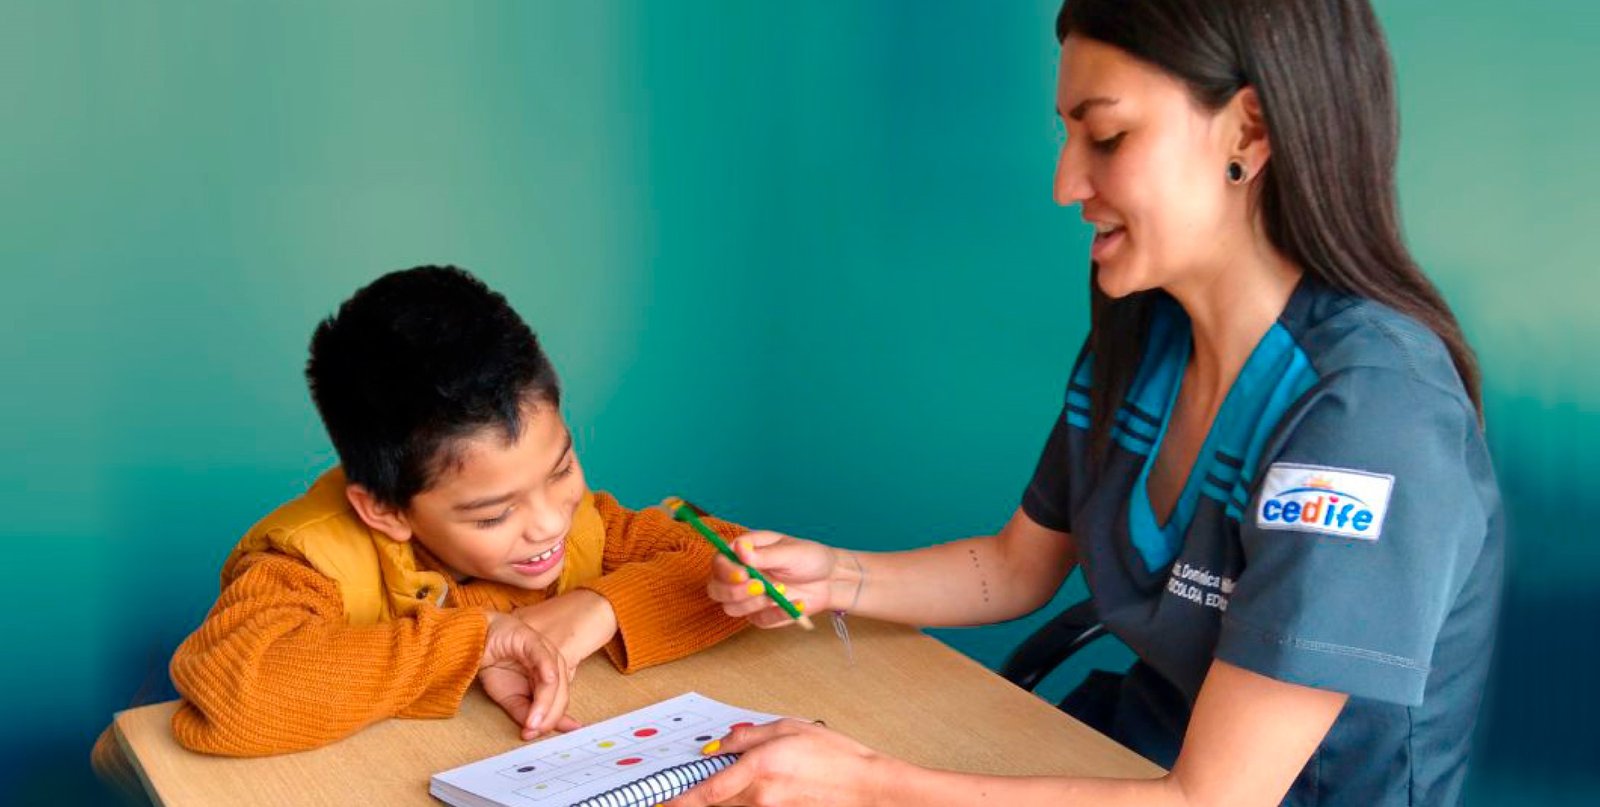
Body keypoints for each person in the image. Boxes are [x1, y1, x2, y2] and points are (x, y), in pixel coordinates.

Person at [675, 1, 1502, 805]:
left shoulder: (1371, 415)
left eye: (1106, 136)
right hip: (1106, 756)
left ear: (1248, 132)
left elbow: (1211, 798)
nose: (1067, 183)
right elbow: (1016, 565)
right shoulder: (1145, 333)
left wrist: (863, 785)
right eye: (1069, 136)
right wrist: (836, 576)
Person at [92, 266, 749, 793]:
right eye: (494, 514)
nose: (549, 520)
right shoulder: (305, 560)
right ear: (385, 510)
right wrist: (478, 640)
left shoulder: (583, 524)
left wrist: (596, 608)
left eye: (562, 466)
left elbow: (736, 567)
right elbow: (240, 693)